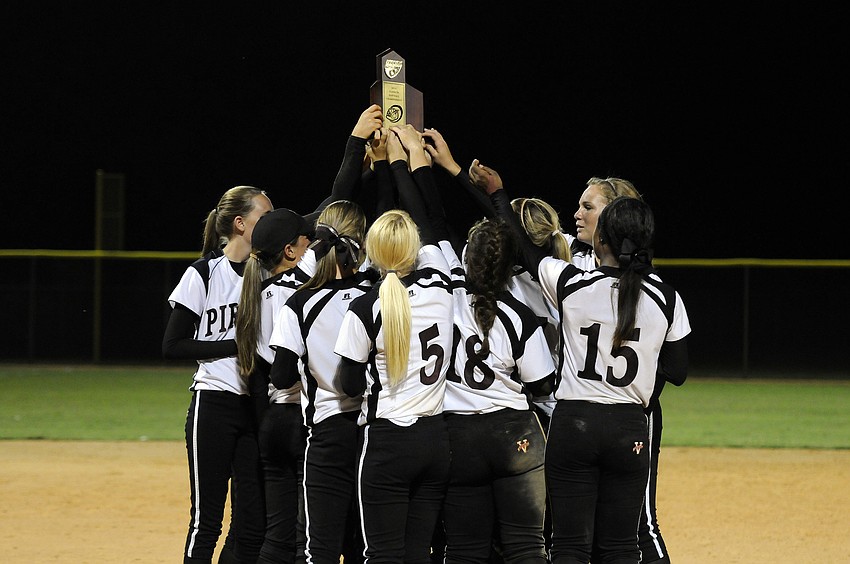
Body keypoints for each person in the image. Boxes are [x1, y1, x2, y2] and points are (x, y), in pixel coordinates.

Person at [477, 163, 691, 563]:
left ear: (605, 235)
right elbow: (677, 372)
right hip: (630, 423)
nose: (578, 214)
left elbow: (524, 244)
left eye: (589, 208)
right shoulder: (664, 295)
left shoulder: (573, 283)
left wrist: (495, 193)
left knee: (569, 545)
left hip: (573, 422)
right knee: (624, 544)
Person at [334, 124, 454, 564]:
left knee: (381, 555)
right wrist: (403, 162)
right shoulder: (443, 287)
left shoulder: (365, 306)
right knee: (417, 553)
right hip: (437, 439)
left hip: (387, 441)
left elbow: (349, 385)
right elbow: (429, 223)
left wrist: (382, 163)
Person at [163, 185, 272, 564]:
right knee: (206, 522)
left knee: (250, 524)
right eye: (264, 216)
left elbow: (315, 217)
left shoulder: (268, 273)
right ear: (240, 224)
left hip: (254, 408)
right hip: (213, 404)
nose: (271, 223)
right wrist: (236, 346)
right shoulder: (205, 273)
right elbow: (173, 344)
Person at [441, 215, 555, 563]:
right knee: (525, 547)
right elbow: (542, 384)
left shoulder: (444, 302)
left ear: (466, 258)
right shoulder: (520, 315)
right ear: (511, 269)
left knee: (464, 549)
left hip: (456, 437)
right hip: (513, 437)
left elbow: (433, 223)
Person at [270, 200, 376, 564]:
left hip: (328, 434)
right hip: (374, 431)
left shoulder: (300, 303)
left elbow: (281, 376)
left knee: (320, 550)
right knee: (367, 547)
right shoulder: (378, 294)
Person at [235, 207, 315, 564]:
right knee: (306, 536)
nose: (311, 243)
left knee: (276, 533)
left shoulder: (256, 295)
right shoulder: (304, 288)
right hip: (303, 418)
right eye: (304, 240)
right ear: (290, 251)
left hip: (272, 420)